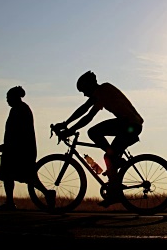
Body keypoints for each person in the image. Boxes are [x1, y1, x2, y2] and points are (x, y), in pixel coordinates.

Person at [52, 71, 143, 207]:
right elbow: (84, 109)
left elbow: (87, 115)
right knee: (109, 157)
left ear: (90, 85)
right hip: (128, 124)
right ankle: (114, 191)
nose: (84, 94)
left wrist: (69, 129)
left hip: (130, 125)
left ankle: (116, 170)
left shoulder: (103, 90)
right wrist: (66, 125)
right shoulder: (101, 92)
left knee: (94, 132)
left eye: (83, 90)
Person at [0, 86, 56, 211]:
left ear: (15, 97)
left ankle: (45, 194)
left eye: (8, 97)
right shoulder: (18, 109)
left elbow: (19, 132)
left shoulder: (20, 110)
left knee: (25, 176)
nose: (7, 100)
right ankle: (10, 201)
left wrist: (8, 146)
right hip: (18, 149)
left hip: (20, 150)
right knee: (17, 176)